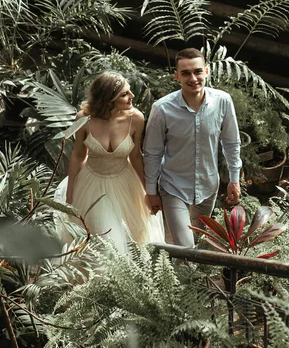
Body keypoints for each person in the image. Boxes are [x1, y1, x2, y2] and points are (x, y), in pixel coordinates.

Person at [143, 48, 242, 248]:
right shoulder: (162, 109)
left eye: (197, 71)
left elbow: (231, 142)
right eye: (186, 73)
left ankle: (188, 277)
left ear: (206, 71)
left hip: (208, 186)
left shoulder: (222, 101)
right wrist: (151, 191)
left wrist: (234, 179)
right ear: (176, 76)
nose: (193, 78)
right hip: (173, 187)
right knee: (186, 248)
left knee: (198, 239)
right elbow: (152, 153)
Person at [64, 71, 165, 253]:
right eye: (124, 94)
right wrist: (70, 192)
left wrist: (148, 191)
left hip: (125, 185)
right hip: (91, 186)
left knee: (131, 242)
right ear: (108, 99)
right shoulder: (83, 119)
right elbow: (78, 155)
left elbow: (135, 156)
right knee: (104, 241)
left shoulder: (136, 119)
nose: (131, 96)